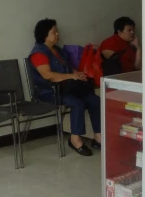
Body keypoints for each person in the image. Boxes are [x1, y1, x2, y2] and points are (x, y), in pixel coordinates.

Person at [29, 18, 101, 157]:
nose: (57, 34)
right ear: (44, 34)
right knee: (77, 103)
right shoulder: (39, 53)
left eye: (57, 31)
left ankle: (98, 137)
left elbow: (68, 69)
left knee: (94, 100)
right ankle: (75, 139)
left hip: (67, 88)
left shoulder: (58, 51)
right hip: (49, 92)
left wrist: (78, 74)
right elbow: (47, 75)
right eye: (54, 32)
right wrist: (71, 77)